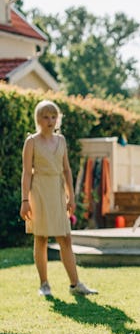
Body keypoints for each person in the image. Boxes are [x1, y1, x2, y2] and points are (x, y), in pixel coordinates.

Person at [19, 100, 98, 298]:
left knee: (66, 238)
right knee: (41, 237)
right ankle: (44, 284)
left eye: (53, 117)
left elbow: (67, 170)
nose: (50, 121)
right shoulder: (32, 141)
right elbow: (27, 173)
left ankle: (75, 284)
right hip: (38, 192)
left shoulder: (61, 140)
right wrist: (24, 200)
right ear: (38, 119)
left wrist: (71, 196)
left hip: (57, 191)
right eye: (46, 117)